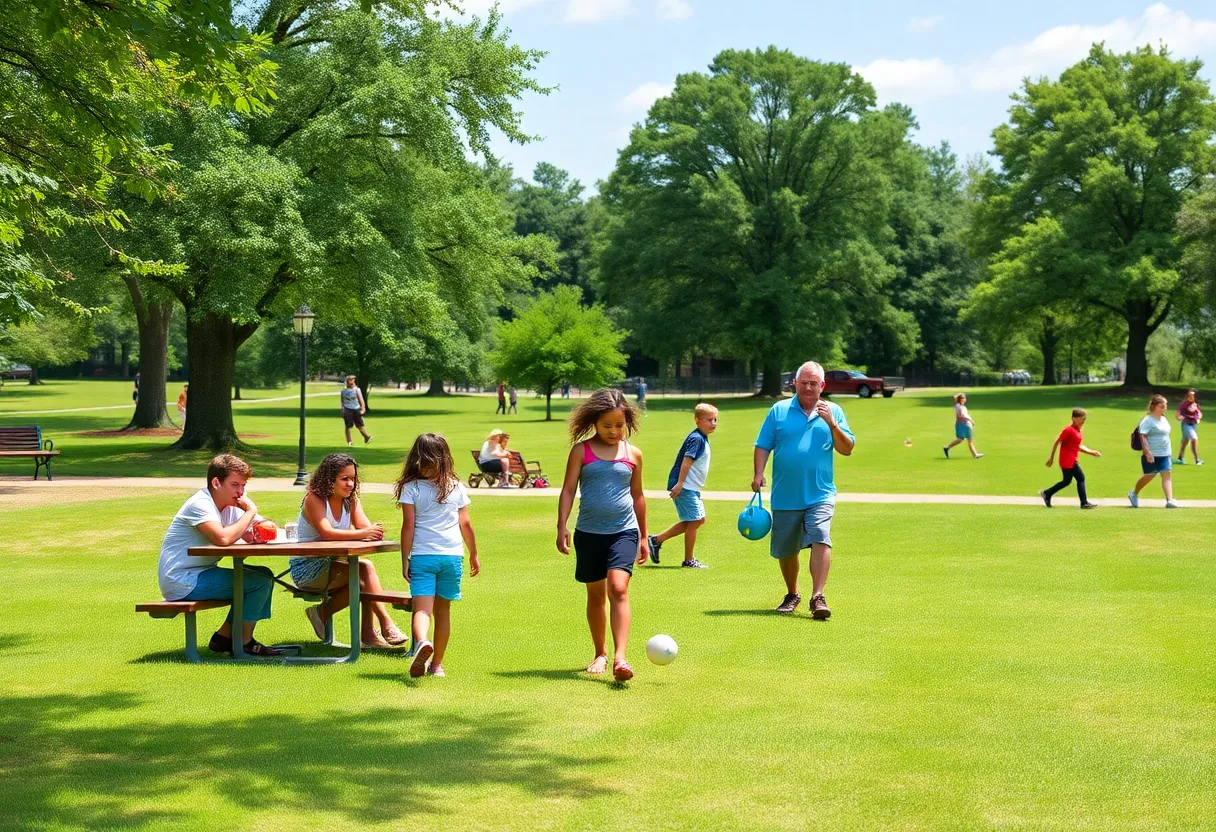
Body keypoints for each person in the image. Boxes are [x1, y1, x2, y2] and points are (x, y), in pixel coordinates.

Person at [557, 388, 649, 681]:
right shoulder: (580, 451)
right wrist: (562, 525)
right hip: (588, 533)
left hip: (624, 531)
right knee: (596, 595)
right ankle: (601, 652)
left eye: (619, 425)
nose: (613, 431)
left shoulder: (633, 454)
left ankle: (621, 658)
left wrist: (644, 537)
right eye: (607, 425)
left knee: (618, 589)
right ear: (594, 423)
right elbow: (569, 489)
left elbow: (638, 496)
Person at [752, 361, 854, 620]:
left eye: (814, 383)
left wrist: (832, 424)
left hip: (820, 493)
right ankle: (792, 593)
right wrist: (758, 473)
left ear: (823, 386)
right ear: (794, 384)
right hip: (785, 494)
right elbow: (763, 444)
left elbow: (847, 448)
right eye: (804, 382)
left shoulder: (834, 411)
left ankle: (818, 597)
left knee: (821, 535)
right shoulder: (779, 410)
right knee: (786, 550)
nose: (808, 387)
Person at [157, 454, 281, 656]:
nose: (240, 492)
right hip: (182, 580)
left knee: (262, 576)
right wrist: (250, 513)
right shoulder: (200, 504)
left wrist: (254, 529)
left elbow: (265, 525)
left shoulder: (230, 507)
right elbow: (222, 539)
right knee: (258, 581)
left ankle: (224, 638)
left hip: (203, 573)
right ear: (216, 482)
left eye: (243, 486)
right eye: (235, 485)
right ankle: (243, 643)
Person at [290, 453, 407, 649]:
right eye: (345, 479)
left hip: (337, 564)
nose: (350, 484)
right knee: (364, 570)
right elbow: (326, 532)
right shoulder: (315, 499)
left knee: (363, 574)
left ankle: (327, 615)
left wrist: (370, 532)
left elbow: (367, 530)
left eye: (353, 479)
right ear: (329, 479)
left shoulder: (351, 501)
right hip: (307, 568)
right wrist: (364, 532)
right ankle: (383, 625)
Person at [396, 433, 480, 678]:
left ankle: (422, 641)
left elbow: (408, 526)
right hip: (452, 556)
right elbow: (466, 523)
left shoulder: (411, 488)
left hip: (423, 556)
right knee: (443, 612)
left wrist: (405, 559)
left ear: (417, 458)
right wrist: (473, 554)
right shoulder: (456, 486)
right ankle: (437, 666)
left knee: (422, 610)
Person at [648, 403, 717, 569]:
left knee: (697, 519)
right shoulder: (697, 439)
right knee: (695, 520)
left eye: (715, 419)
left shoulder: (701, 438)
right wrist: (679, 484)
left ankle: (656, 540)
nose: (713, 423)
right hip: (685, 486)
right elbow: (687, 461)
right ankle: (688, 560)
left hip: (689, 487)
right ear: (697, 420)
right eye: (709, 420)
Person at [1040, 408, 1101, 509]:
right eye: (1082, 419)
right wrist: (1051, 458)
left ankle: (1047, 493)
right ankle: (1084, 503)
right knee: (1081, 478)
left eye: (1084, 419)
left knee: (1067, 481)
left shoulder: (1077, 431)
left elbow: (1077, 446)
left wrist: (1091, 452)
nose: (1083, 421)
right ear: (1074, 419)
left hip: (1070, 460)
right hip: (1068, 460)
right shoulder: (1068, 430)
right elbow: (1057, 442)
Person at [1130, 394, 1180, 508]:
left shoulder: (1164, 419)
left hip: (1165, 452)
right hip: (1152, 453)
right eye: (1162, 405)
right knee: (1149, 475)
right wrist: (1147, 452)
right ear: (1154, 406)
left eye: (1165, 406)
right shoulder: (1148, 420)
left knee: (1166, 474)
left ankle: (1170, 500)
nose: (1164, 408)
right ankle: (1134, 493)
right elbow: (1142, 436)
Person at [944, 392, 982, 459]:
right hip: (965, 424)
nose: (964, 399)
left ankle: (947, 447)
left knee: (960, 439)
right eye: (962, 398)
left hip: (960, 424)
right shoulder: (960, 406)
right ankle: (975, 455)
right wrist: (971, 420)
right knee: (969, 440)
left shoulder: (959, 406)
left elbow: (955, 398)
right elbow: (962, 415)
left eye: (965, 398)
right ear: (960, 399)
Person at [340, 376, 372, 446]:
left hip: (356, 408)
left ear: (353, 380)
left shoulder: (357, 390)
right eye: (348, 380)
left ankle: (366, 437)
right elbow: (342, 401)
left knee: (359, 425)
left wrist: (363, 408)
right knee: (348, 426)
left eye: (351, 379)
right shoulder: (343, 391)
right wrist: (342, 409)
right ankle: (349, 442)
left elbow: (361, 400)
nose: (349, 381)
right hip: (347, 409)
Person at [1176, 389, 1203, 465]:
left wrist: (1198, 418)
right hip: (1186, 424)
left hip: (1193, 424)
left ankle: (1180, 458)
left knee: (1185, 440)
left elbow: (1199, 413)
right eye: (1189, 395)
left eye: (1193, 395)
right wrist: (1180, 417)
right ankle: (1197, 460)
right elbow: (1178, 413)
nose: (1191, 397)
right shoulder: (1183, 404)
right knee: (1194, 438)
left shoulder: (1195, 404)